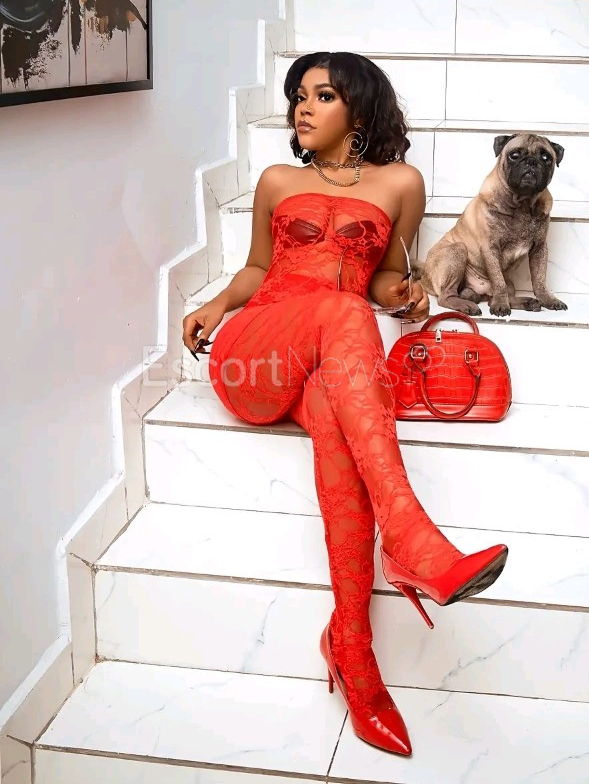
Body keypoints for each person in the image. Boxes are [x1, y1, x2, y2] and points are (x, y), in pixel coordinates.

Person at [182, 52, 508, 757]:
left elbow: (385, 277)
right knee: (342, 309)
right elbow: (260, 267)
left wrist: (406, 295)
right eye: (298, 95)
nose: (302, 107)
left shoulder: (400, 184)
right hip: (256, 353)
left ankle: (352, 651)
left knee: (341, 425)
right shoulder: (278, 179)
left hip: (329, 362)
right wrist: (215, 303)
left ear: (358, 110)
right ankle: (411, 538)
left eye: (322, 95)